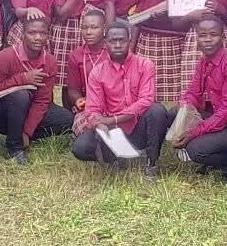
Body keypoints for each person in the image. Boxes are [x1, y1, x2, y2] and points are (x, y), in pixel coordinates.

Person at [71, 20, 168, 179]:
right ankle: (115, 158)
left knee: (157, 110)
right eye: (112, 41)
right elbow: (92, 110)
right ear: (105, 43)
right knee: (81, 149)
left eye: (121, 40)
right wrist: (101, 123)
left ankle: (152, 162)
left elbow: (146, 101)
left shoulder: (145, 65)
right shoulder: (97, 72)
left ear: (129, 41)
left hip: (137, 128)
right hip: (112, 131)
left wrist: (113, 119)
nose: (117, 45)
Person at [169, 14, 227, 171]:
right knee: (174, 112)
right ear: (197, 38)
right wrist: (184, 111)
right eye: (202, 35)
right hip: (220, 118)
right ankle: (216, 147)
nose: (207, 39)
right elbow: (193, 93)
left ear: (222, 37)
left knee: (195, 150)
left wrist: (193, 132)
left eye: (213, 35)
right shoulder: (204, 61)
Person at [0, 16, 74, 164]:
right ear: (23, 34)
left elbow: (43, 100)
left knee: (67, 119)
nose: (38, 38)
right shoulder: (4, 57)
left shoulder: (50, 61)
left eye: (43, 33)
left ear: (48, 35)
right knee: (20, 95)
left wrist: (27, 131)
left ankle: (21, 135)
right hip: (4, 115)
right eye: (32, 33)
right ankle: (15, 147)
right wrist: (22, 79)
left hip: (30, 109)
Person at [64, 7, 108, 113]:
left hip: (115, 105)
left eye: (94, 27)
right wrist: (78, 100)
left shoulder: (114, 52)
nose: (88, 32)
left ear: (104, 28)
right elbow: (73, 90)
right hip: (89, 107)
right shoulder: (76, 55)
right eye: (84, 27)